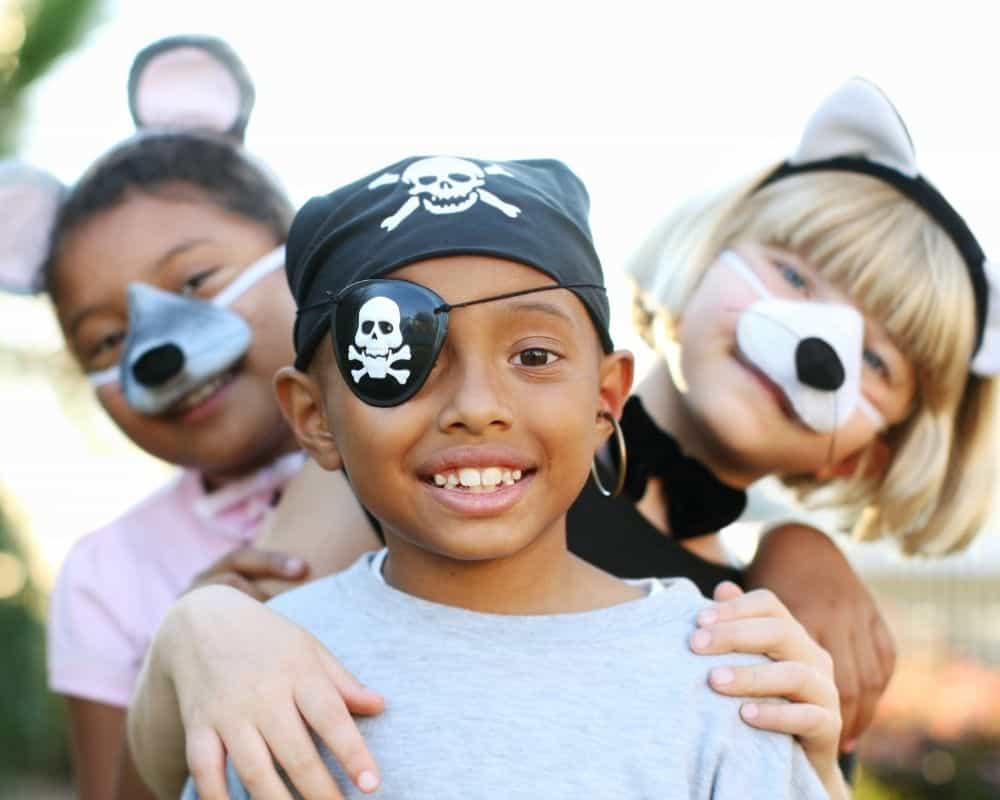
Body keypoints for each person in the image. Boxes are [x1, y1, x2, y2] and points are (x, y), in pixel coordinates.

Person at [135, 77, 988, 799]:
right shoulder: (407, 467)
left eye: (876, 358)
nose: (816, 340)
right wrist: (199, 626)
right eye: (794, 273)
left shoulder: (752, 636)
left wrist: (802, 558)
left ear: (874, 451)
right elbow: (217, 716)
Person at [181, 154, 834, 799]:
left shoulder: (719, 679)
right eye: (400, 356)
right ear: (315, 416)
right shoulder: (271, 668)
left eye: (534, 354)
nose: (476, 407)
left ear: (606, 399)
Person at [0, 36, 314, 800]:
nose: (154, 349)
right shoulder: (109, 575)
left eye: (198, 280)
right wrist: (181, 660)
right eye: (107, 339)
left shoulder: (432, 459)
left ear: (302, 248)